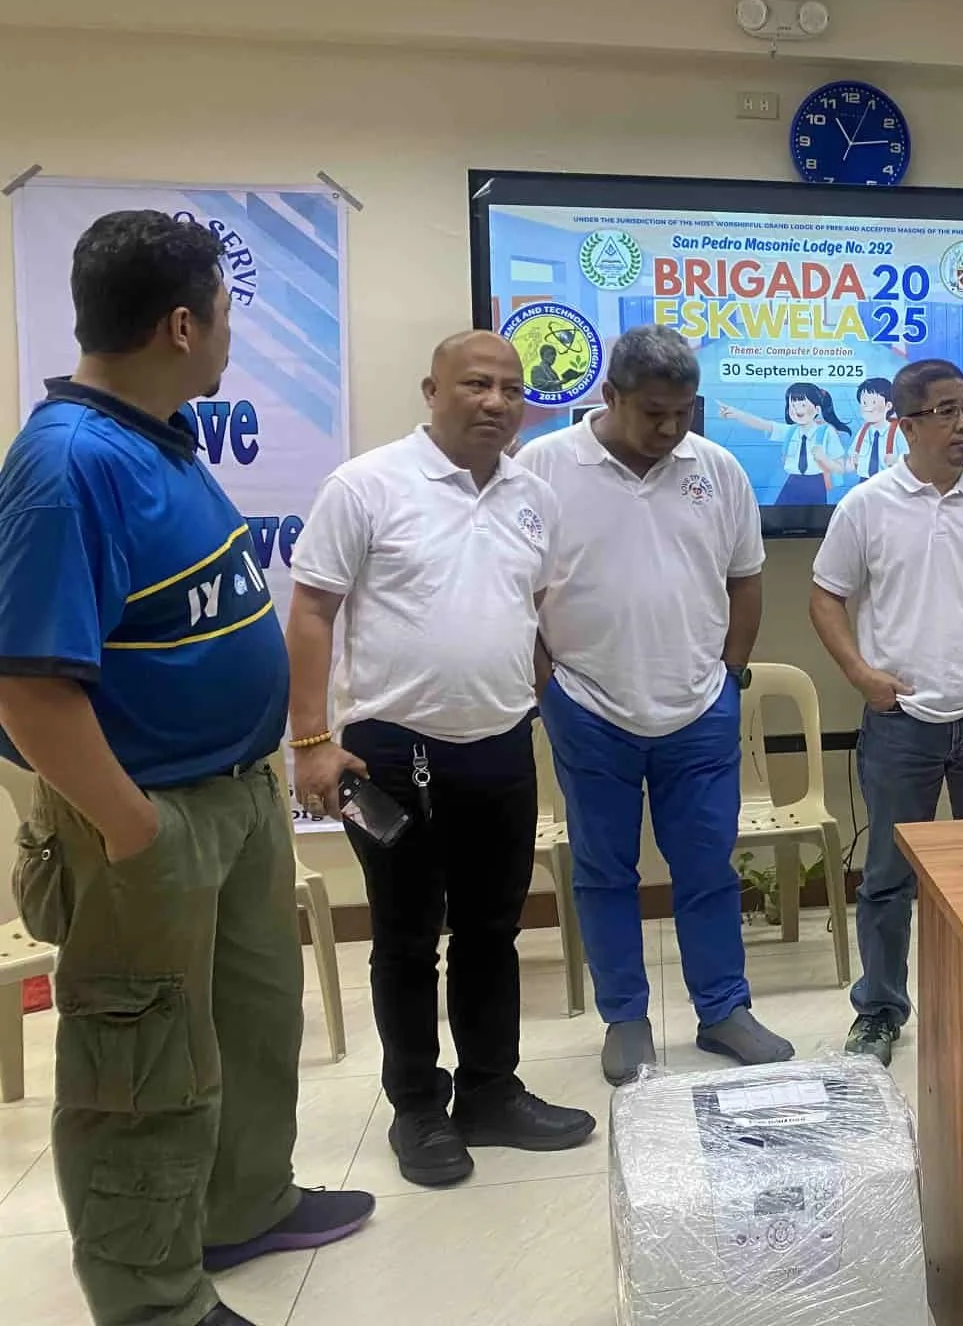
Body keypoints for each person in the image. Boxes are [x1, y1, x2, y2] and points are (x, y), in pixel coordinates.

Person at [0, 211, 372, 1326]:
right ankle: (152, 1296)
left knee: (253, 1027)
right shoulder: (69, 465)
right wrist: (128, 829)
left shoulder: (156, 437)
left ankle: (242, 1206)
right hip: (148, 818)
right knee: (144, 1066)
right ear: (180, 323)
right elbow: (24, 685)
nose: (227, 339)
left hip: (232, 796)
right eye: (223, 317)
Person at [285, 331, 595, 1190]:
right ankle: (419, 1106)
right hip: (390, 755)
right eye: (475, 384)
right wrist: (312, 742)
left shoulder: (534, 495)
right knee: (407, 936)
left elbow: (528, 606)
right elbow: (311, 612)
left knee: (495, 930)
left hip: (499, 743)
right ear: (432, 390)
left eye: (511, 388)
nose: (497, 401)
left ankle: (491, 1093)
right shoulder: (367, 485)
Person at [519, 327, 793, 1082]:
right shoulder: (542, 466)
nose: (670, 430)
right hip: (586, 703)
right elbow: (514, 585)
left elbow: (746, 577)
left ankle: (723, 1011)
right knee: (604, 871)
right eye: (652, 413)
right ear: (608, 396)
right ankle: (626, 1020)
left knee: (707, 866)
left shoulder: (719, 468)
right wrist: (546, 681)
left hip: (700, 706)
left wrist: (731, 669)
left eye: (682, 413)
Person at [810, 359, 963, 1065]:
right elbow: (826, 597)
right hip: (901, 723)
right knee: (888, 877)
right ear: (905, 424)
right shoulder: (867, 504)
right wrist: (861, 674)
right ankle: (882, 1010)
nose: (962, 424)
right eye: (944, 411)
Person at [718, 381, 850, 504]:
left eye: (803, 405)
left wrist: (824, 459)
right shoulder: (790, 431)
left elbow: (839, 468)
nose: (797, 410)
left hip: (816, 484)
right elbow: (763, 425)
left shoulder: (827, 433)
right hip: (792, 483)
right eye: (792, 405)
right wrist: (737, 414)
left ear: (816, 409)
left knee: (816, 519)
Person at [847, 377, 905, 483]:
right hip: (864, 482)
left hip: (889, 483)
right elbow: (851, 461)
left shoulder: (898, 432)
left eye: (873, 402)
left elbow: (914, 463)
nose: (867, 407)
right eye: (864, 403)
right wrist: (852, 462)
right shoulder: (863, 431)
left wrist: (897, 461)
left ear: (888, 405)